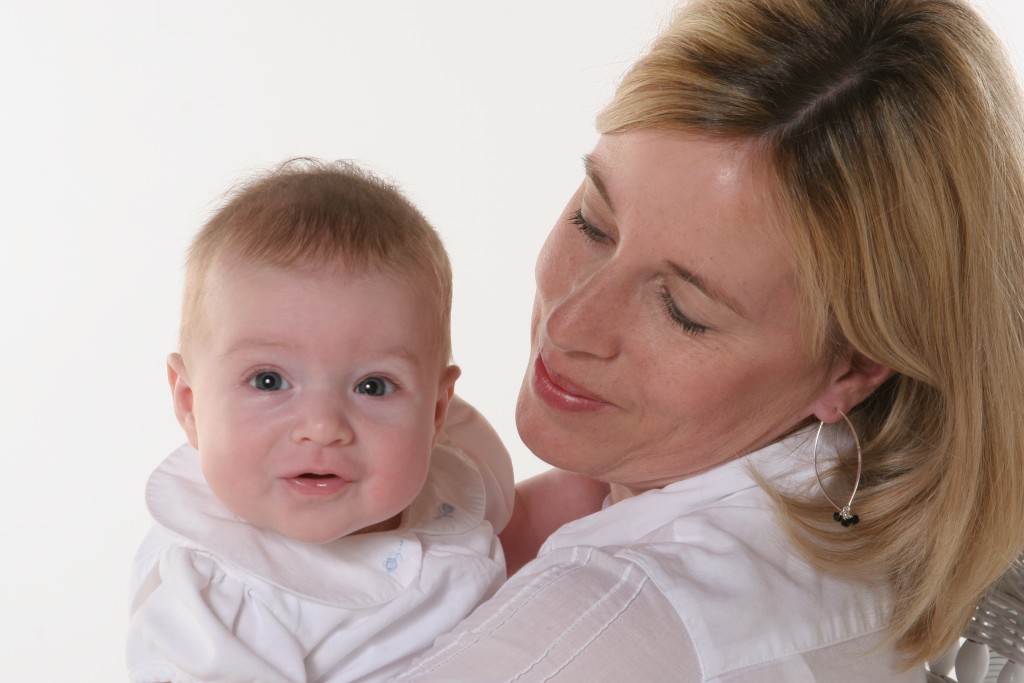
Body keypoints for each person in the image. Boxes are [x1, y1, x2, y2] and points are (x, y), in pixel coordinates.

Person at [394, 0, 1024, 680]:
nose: (569, 323)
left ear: (855, 367)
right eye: (592, 221)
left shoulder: (596, 624)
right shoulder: (856, 522)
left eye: (683, 309)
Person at [126, 159, 514, 682]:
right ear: (191, 403)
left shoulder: (451, 473)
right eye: (268, 381)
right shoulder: (215, 596)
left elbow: (556, 519)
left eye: (373, 386)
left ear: (437, 411)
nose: (322, 426)